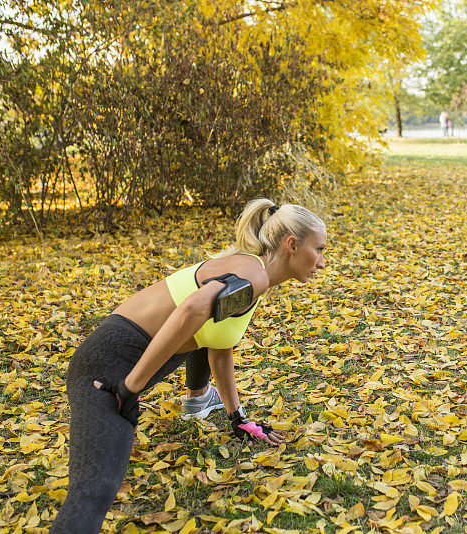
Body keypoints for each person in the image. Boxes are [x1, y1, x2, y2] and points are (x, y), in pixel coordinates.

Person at [50, 199, 327, 533]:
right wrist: (128, 389)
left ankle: (198, 399)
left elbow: (219, 345)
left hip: (125, 362)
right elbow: (191, 311)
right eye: (320, 250)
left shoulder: (253, 271)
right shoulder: (254, 276)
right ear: (293, 244)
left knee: (204, 334)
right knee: (96, 488)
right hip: (105, 370)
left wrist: (238, 418)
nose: (322, 263)